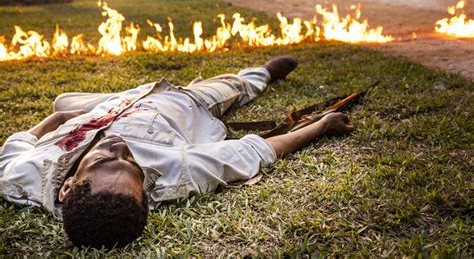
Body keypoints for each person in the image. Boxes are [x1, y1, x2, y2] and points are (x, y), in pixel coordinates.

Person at [0, 55, 353, 249]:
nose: (121, 149)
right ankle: (261, 73)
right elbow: (255, 151)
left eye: (108, 159)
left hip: (115, 103)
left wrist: (58, 120)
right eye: (132, 165)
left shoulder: (21, 177)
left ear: (67, 187)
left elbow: (15, 144)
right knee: (233, 86)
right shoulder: (177, 174)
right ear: (146, 195)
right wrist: (321, 127)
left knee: (62, 101)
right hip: (182, 104)